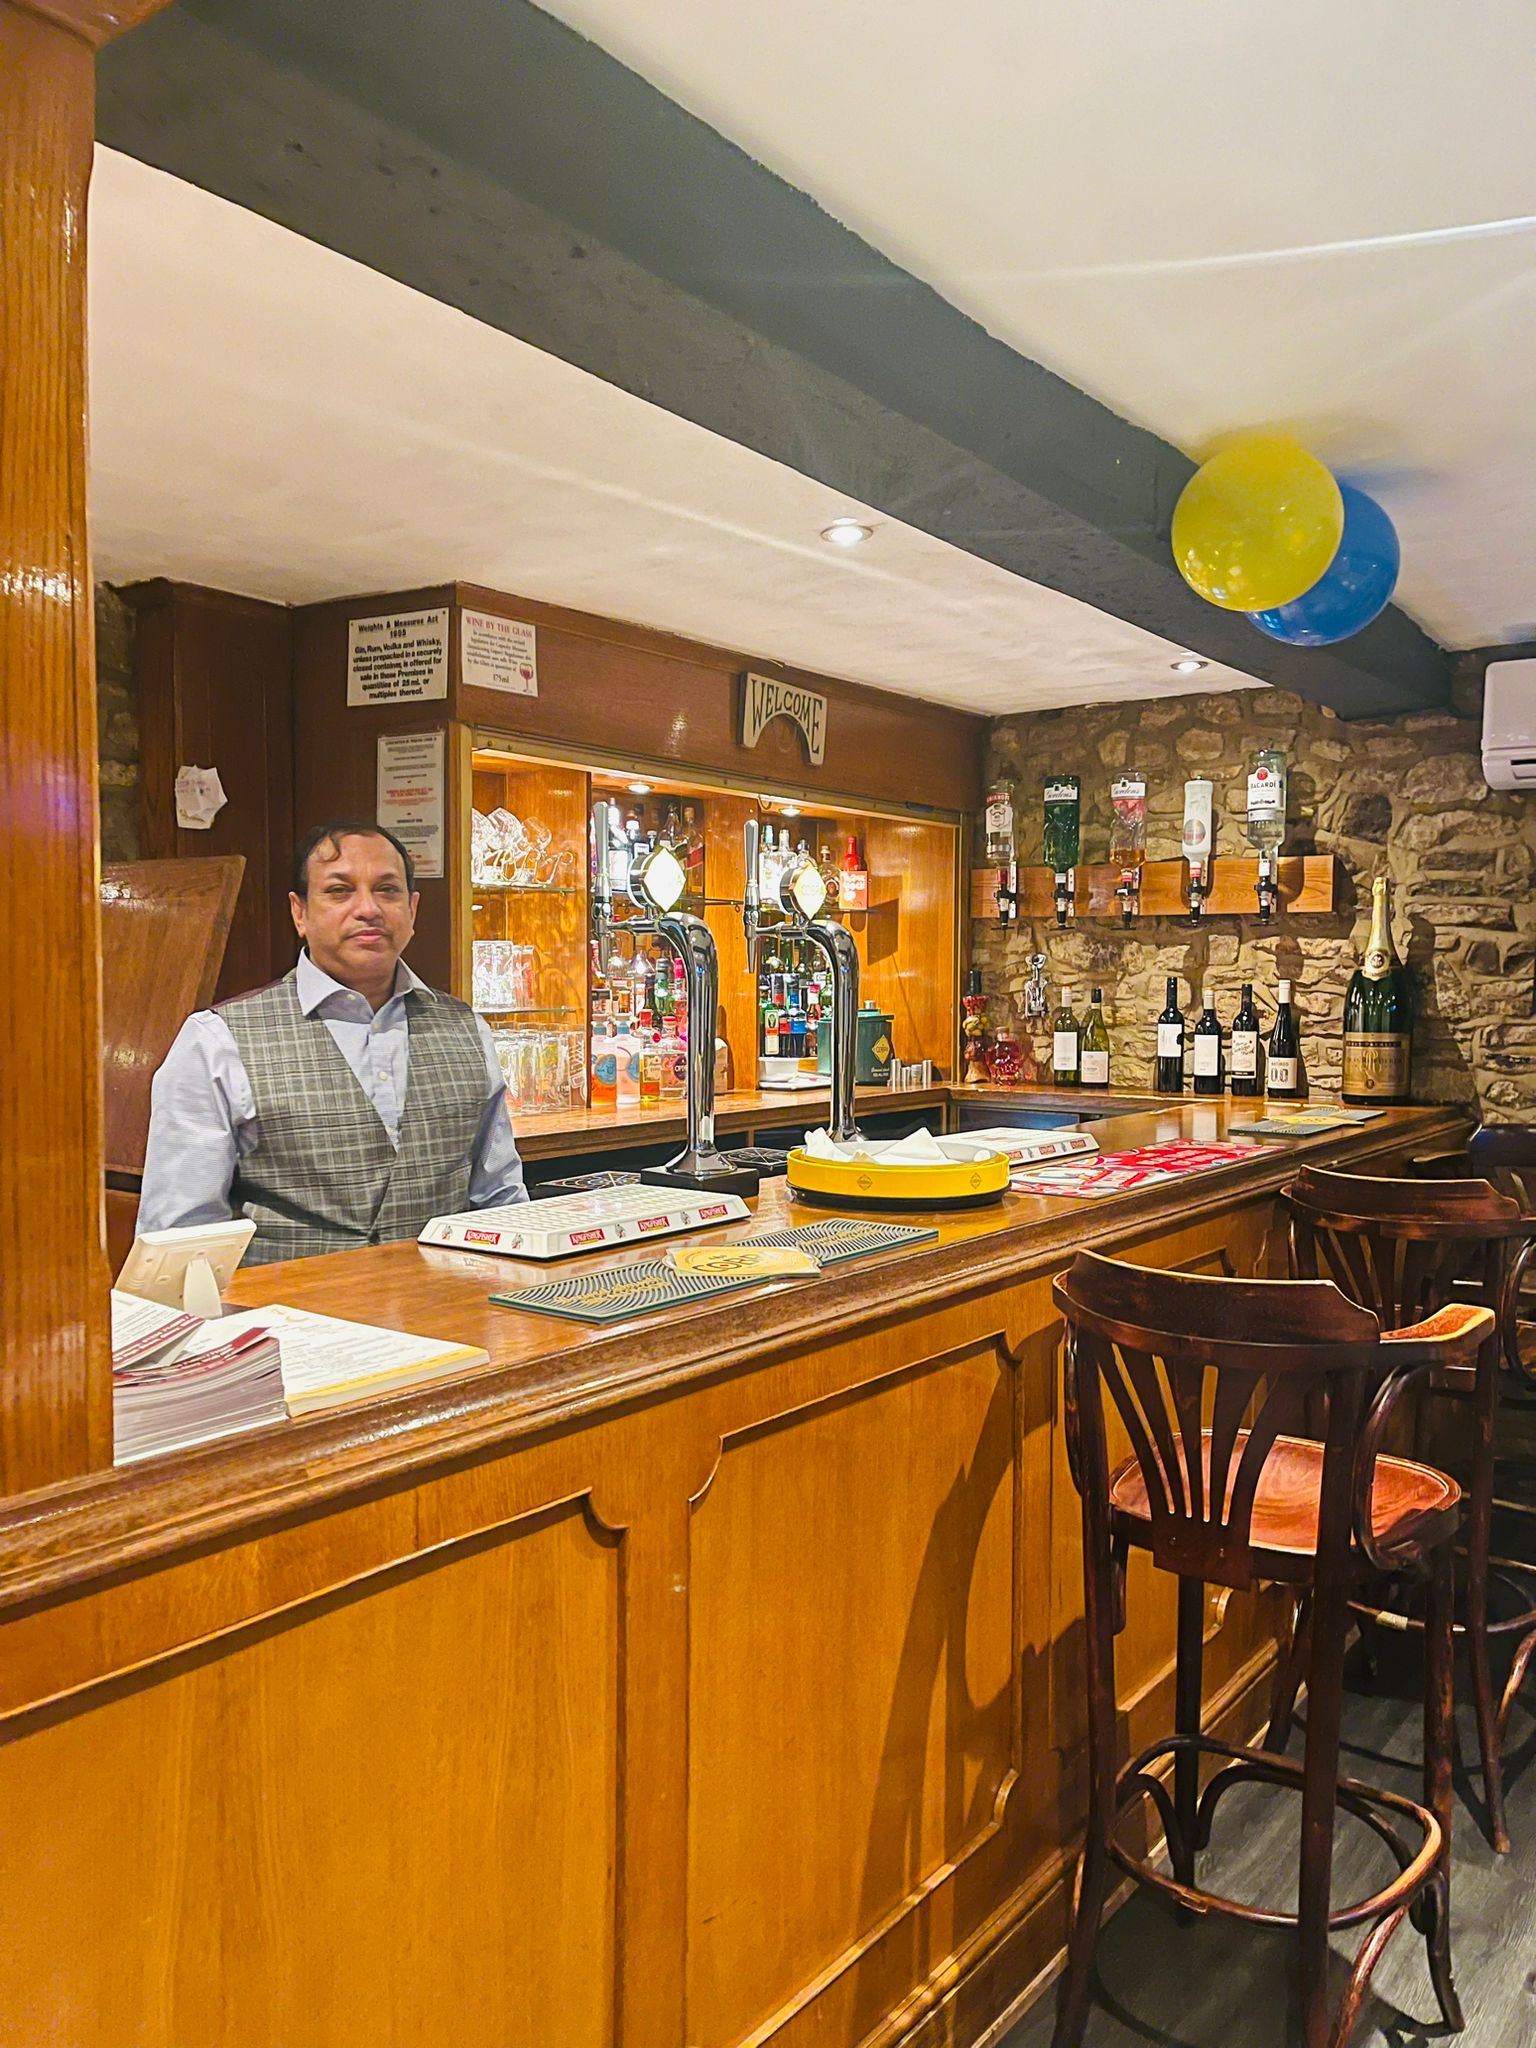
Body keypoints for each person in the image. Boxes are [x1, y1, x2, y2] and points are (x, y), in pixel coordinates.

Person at [140, 819, 526, 1265]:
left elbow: (500, 1201)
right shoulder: (215, 1040)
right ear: (299, 912)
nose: (368, 909)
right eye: (340, 891)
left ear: (412, 910)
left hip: (446, 1302)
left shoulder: (466, 1029)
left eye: (387, 890)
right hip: (285, 1307)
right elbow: (181, 1240)